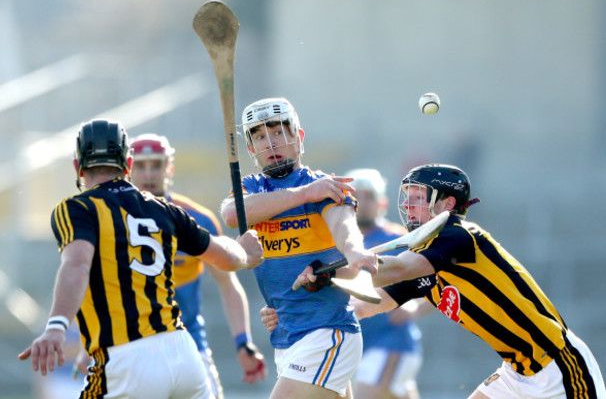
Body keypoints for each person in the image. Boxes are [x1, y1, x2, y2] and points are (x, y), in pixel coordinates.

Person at [301, 163, 606, 399]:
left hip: (558, 366)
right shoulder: (423, 255)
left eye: (418, 197)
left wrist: (331, 272)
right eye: (406, 197)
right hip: (517, 373)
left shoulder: (459, 236)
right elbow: (369, 303)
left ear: (447, 204)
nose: (408, 205)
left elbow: (395, 270)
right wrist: (303, 311)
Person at [18, 119, 264, 399]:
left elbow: (77, 265)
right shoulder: (166, 210)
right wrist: (244, 249)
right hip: (184, 354)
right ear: (129, 165)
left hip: (128, 359)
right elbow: (227, 258)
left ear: (78, 167)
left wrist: (56, 326)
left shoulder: (77, 209)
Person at [220, 97, 378, 399]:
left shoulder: (325, 185)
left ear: (298, 138)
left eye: (279, 132)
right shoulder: (251, 189)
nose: (270, 144)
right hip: (287, 338)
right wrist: (305, 193)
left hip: (327, 332)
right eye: (260, 136)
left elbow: (344, 228)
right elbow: (231, 214)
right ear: (251, 149)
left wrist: (355, 251)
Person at [260, 168, 434, 399]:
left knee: (367, 394)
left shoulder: (396, 238)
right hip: (350, 342)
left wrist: (415, 308)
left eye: (369, 195)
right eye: (357, 194)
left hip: (390, 343)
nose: (362, 201)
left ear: (382, 203)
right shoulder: (330, 240)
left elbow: (435, 278)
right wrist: (279, 309)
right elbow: (312, 280)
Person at [129, 133, 267, 397]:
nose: (148, 174)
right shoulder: (115, 218)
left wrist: (242, 342)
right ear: (128, 168)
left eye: (156, 165)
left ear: (169, 167)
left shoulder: (196, 218)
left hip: (190, 344)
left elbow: (228, 285)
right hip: (135, 347)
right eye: (140, 165)